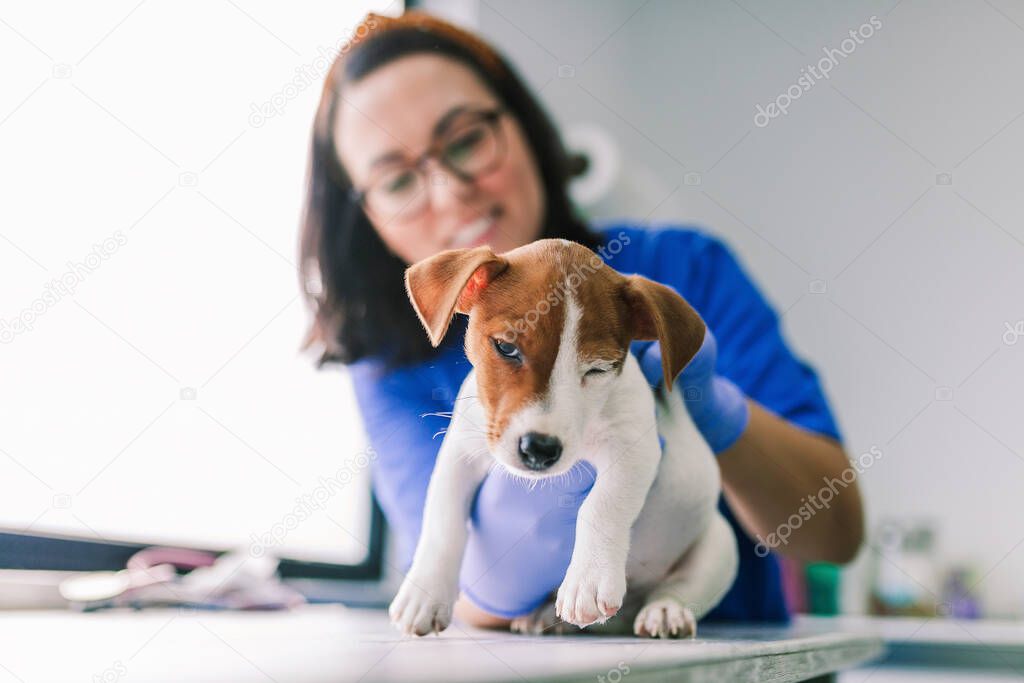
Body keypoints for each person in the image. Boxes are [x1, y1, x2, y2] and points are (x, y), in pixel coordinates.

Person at [299, 10, 863, 628]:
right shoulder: (388, 360)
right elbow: (460, 600)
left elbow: (835, 536)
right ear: (366, 218)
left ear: (524, 127)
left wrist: (715, 410)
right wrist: (512, 543)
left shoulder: (680, 270)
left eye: (465, 140)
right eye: (398, 179)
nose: (451, 190)